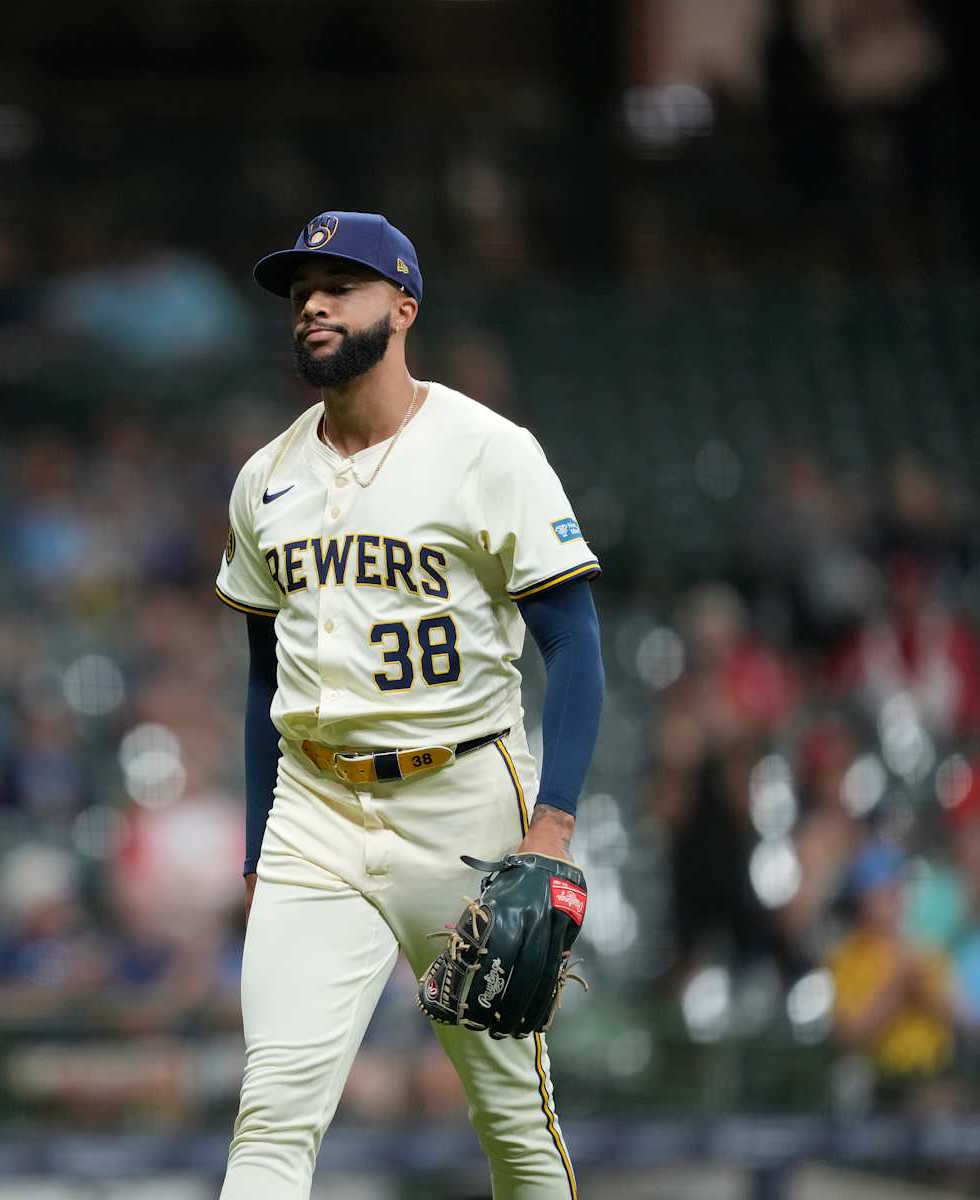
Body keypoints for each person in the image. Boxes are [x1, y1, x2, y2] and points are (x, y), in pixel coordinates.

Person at [215, 212, 605, 1199]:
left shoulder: (488, 450)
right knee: (271, 1112)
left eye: (339, 283)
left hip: (463, 803)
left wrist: (552, 825)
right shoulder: (265, 480)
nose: (312, 302)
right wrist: (261, 852)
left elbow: (575, 643)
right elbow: (266, 679)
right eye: (301, 288)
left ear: (403, 306)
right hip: (315, 813)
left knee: (514, 1123)